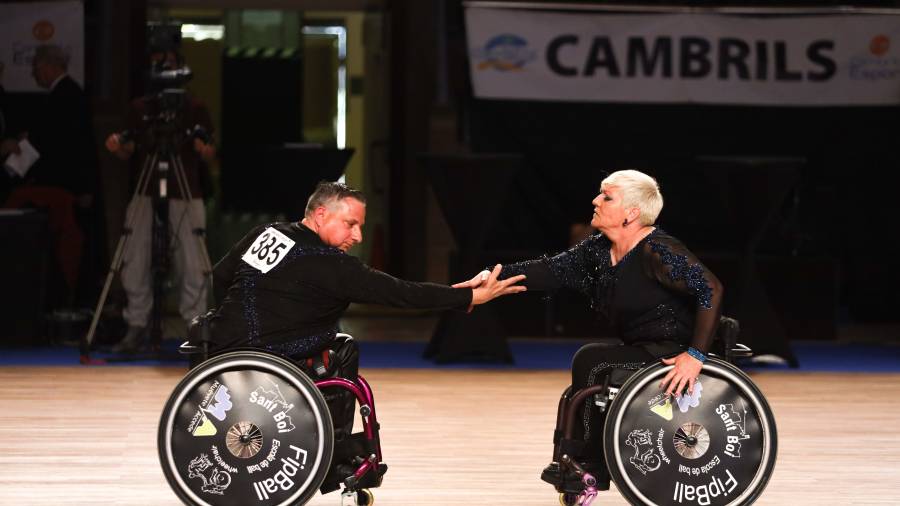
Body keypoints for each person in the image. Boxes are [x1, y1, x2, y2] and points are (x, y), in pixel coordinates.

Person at [205, 181, 526, 491]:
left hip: (221, 350)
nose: (357, 236)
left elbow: (221, 277)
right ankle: (332, 459)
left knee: (328, 339)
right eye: (350, 224)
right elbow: (402, 293)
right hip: (272, 359)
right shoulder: (332, 265)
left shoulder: (266, 233)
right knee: (343, 347)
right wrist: (468, 298)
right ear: (320, 215)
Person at [453, 169, 723, 492]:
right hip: (643, 346)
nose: (595, 200)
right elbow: (548, 270)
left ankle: (589, 464)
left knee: (592, 361)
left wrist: (694, 355)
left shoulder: (659, 250)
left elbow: (711, 288)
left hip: (673, 350)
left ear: (631, 213)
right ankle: (578, 460)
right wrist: (490, 278)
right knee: (591, 361)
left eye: (606, 196)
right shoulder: (598, 250)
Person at [105, 49, 216, 353]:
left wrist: (202, 146)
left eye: (170, 64)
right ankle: (136, 324)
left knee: (193, 264)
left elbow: (209, 152)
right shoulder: (141, 108)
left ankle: (196, 328)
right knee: (134, 256)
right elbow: (127, 150)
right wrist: (118, 146)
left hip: (186, 190)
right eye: (159, 65)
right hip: (146, 188)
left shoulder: (194, 107)